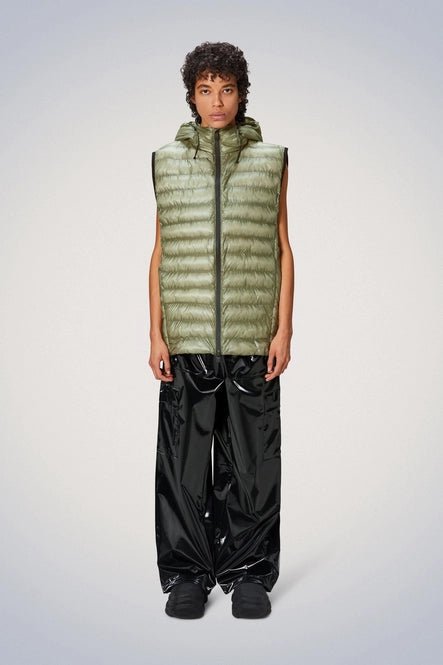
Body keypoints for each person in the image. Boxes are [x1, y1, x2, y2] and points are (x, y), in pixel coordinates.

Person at [148, 41, 295, 619]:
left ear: (241, 94)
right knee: (183, 465)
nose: (217, 101)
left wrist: (283, 331)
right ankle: (187, 574)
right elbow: (160, 252)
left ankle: (249, 572)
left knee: (252, 464)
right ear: (191, 96)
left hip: (251, 340)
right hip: (186, 339)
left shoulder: (272, 159)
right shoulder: (165, 161)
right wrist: (156, 334)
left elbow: (283, 249)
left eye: (227, 89)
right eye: (205, 90)